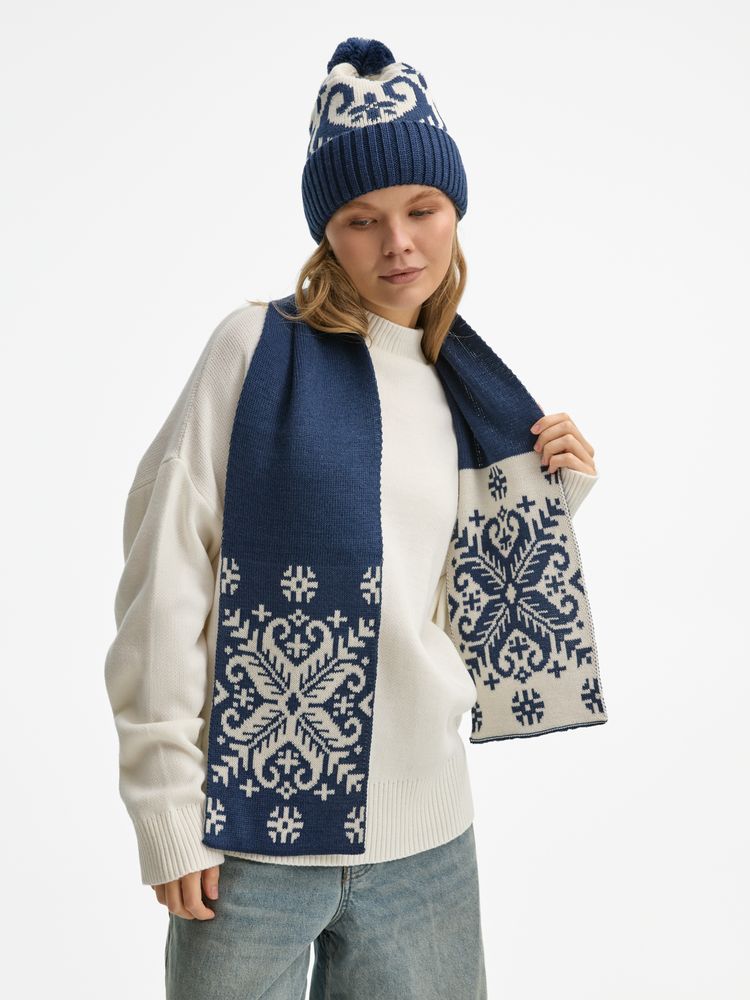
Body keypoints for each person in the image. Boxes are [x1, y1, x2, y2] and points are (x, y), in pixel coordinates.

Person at [104, 36, 600, 1000]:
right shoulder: (253, 352)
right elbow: (164, 578)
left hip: (427, 844)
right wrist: (166, 803)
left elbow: (452, 617)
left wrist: (545, 502)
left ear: (455, 210)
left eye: (422, 209)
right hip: (251, 835)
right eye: (362, 219)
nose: (398, 242)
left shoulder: (470, 393)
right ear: (326, 233)